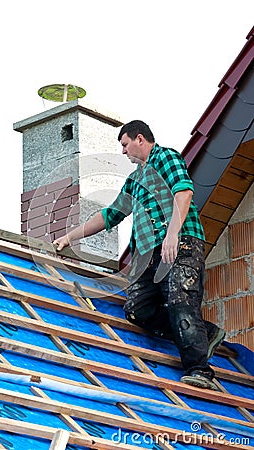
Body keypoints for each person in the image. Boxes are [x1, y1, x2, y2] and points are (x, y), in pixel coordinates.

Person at [54, 120, 225, 390]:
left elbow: (184, 191)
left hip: (180, 244)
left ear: (140, 139)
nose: (123, 152)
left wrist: (172, 234)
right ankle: (204, 332)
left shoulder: (165, 157)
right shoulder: (134, 181)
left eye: (125, 144)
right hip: (147, 255)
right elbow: (109, 215)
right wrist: (69, 237)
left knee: (181, 301)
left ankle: (200, 370)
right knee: (136, 309)